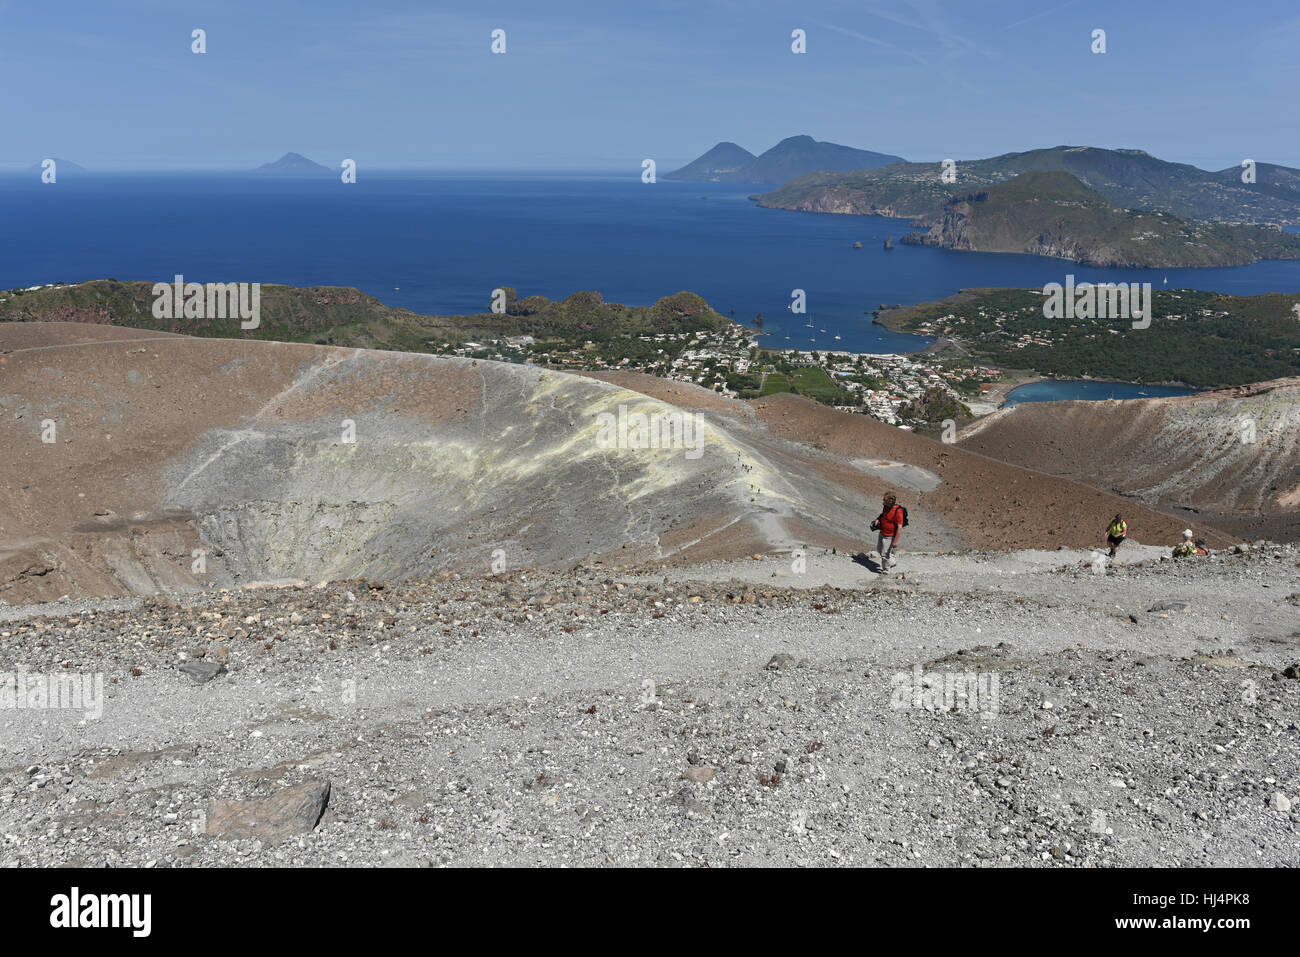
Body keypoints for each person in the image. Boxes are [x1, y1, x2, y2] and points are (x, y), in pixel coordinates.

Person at [870, 492, 906, 573]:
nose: (883, 501)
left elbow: (899, 527)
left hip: (890, 536)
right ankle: (892, 560)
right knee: (879, 550)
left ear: (890, 501)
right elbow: (883, 514)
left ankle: (886, 571)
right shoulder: (886, 507)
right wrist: (878, 519)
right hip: (882, 533)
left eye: (884, 500)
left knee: (884, 555)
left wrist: (895, 541)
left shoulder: (898, 511)